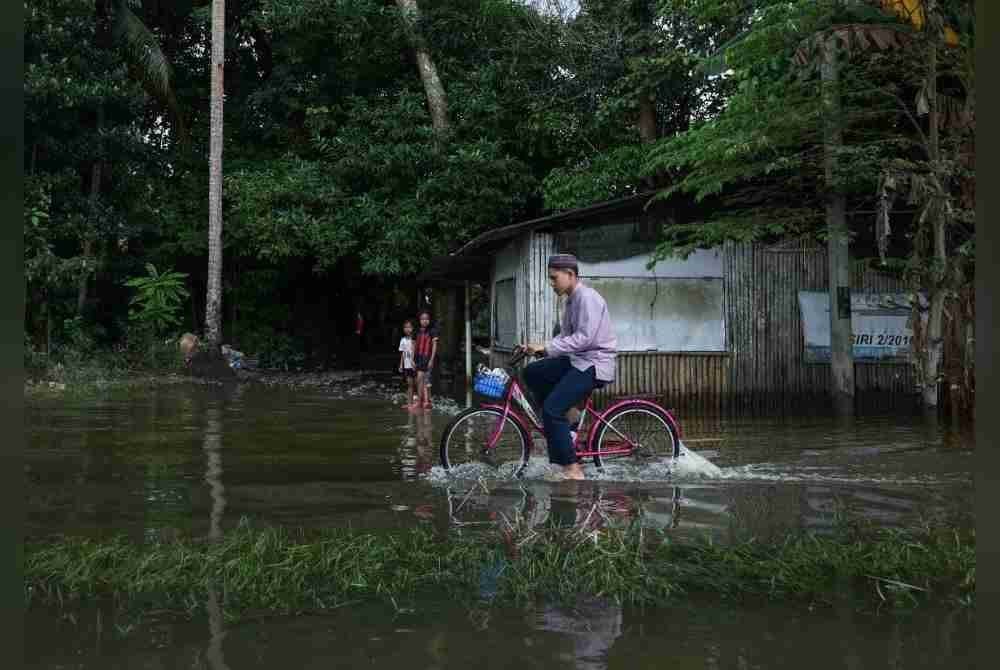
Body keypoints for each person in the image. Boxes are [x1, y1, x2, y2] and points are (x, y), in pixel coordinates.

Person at [524, 254, 617, 480]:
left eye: (554, 278)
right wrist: (537, 348)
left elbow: (584, 339)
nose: (551, 283)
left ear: (570, 275)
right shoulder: (571, 300)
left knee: (551, 409)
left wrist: (546, 347)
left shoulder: (587, 298)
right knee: (532, 372)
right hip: (578, 360)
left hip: (595, 362)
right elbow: (566, 338)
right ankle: (568, 419)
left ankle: (572, 469)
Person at [413, 309, 439, 410]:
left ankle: (424, 402)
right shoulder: (418, 331)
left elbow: (434, 346)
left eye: (427, 319)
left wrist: (431, 359)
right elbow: (414, 345)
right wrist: (412, 359)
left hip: (427, 358)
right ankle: (423, 401)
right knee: (421, 380)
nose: (425, 321)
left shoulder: (433, 331)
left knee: (425, 380)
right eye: (422, 319)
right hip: (419, 358)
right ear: (419, 320)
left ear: (429, 320)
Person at [398, 319, 418, 409]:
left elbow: (415, 350)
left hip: (414, 364)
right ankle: (409, 403)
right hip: (406, 365)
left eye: (409, 327)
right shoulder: (402, 340)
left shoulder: (414, 339)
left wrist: (413, 361)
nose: (407, 329)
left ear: (413, 328)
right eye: (405, 327)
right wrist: (401, 364)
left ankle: (417, 403)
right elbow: (403, 353)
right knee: (409, 384)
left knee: (416, 384)